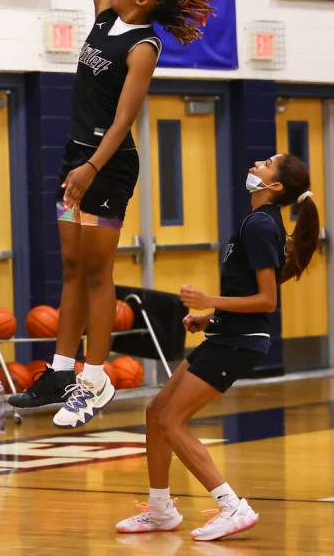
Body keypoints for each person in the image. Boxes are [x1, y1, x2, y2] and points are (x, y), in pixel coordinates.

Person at [10, 0, 217, 429]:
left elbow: (125, 120)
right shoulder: (105, 11)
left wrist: (92, 168)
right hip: (79, 155)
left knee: (98, 272)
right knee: (71, 269)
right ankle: (60, 367)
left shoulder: (143, 45)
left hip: (108, 160)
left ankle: (94, 379)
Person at [116, 153, 319, 541]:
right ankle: (160, 510)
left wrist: (209, 301)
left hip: (239, 343)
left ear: (275, 187)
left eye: (269, 162)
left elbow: (265, 302)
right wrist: (209, 319)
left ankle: (232, 506)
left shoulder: (260, 224)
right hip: (227, 335)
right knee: (157, 411)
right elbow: (244, 293)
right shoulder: (257, 222)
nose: (260, 160)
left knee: (172, 420)